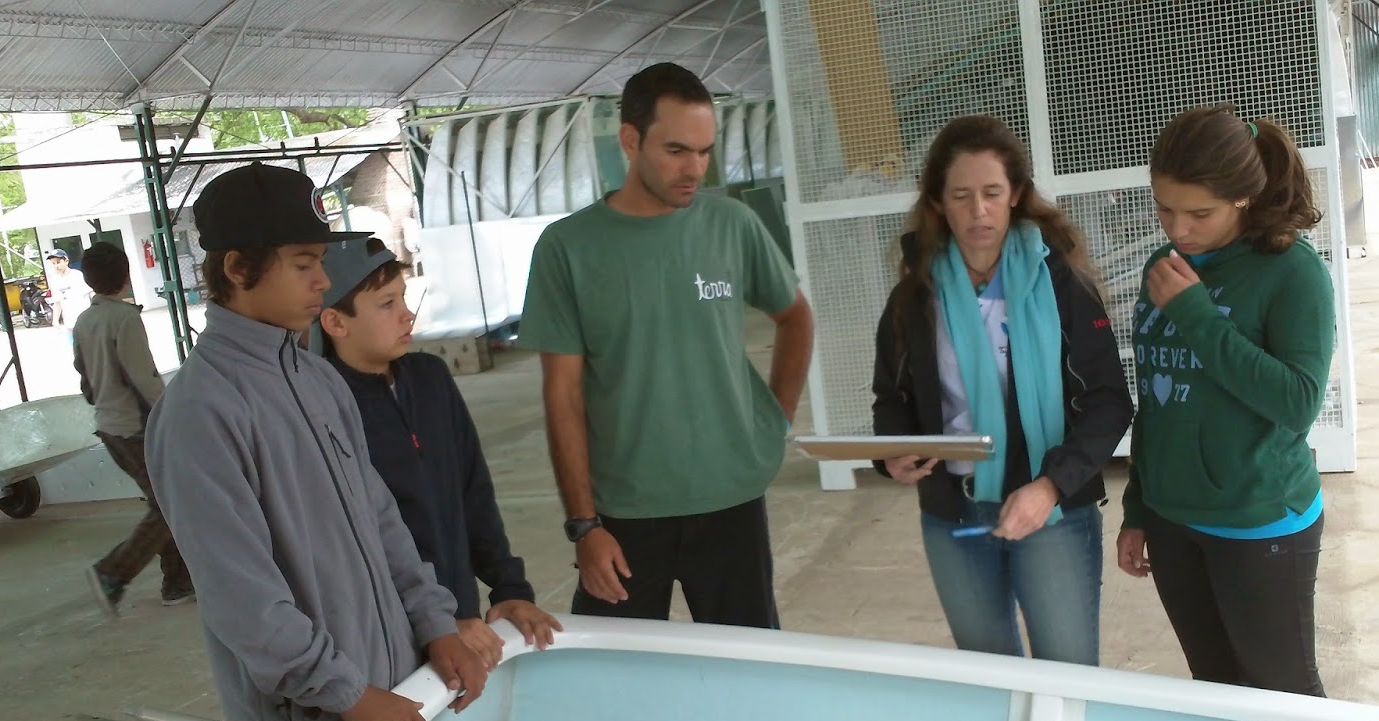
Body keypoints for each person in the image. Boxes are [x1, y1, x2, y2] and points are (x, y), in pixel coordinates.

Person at [143, 163, 488, 721]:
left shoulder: (318, 380)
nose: (322, 281)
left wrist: (435, 623)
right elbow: (243, 600)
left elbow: (382, 521)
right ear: (238, 268)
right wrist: (348, 692)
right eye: (303, 264)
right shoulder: (201, 411)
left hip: (392, 690)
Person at [517, 62, 815, 628]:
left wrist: (775, 418)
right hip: (624, 513)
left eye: (704, 152)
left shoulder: (732, 224)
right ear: (631, 141)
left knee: (746, 666)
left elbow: (795, 317)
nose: (694, 169)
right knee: (618, 671)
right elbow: (563, 397)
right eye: (676, 150)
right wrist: (584, 525)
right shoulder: (567, 248)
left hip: (731, 500)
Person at [870, 115, 1134, 665]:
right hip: (953, 512)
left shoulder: (1060, 284)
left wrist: (1051, 486)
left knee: (1066, 674)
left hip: (1052, 511)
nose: (979, 211)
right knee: (987, 676)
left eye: (992, 193)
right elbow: (891, 399)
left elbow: (1108, 402)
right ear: (937, 203)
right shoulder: (914, 297)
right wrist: (893, 451)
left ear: (1015, 194)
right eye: (960, 196)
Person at [1115, 105, 1335, 697]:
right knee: (1214, 687)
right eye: (1164, 208)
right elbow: (1156, 400)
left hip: (1257, 519)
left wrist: (1197, 316)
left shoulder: (1292, 270)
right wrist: (1138, 508)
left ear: (1242, 197)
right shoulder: (1163, 267)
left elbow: (1298, 402)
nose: (1178, 229)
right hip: (1172, 517)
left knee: (1282, 690)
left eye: (1199, 213)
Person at [318, 236, 562, 667]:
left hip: (459, 620)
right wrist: (438, 623)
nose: (407, 314)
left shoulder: (430, 377)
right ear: (336, 322)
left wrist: (509, 589)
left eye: (403, 298)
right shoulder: (324, 408)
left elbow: (473, 492)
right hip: (391, 638)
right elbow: (361, 545)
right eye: (387, 304)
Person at [72, 242, 193, 614]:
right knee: (172, 504)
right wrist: (174, 416)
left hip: (109, 426)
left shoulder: (84, 321)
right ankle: (112, 573)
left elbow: (83, 374)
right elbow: (144, 378)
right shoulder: (124, 318)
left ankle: (177, 583)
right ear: (125, 276)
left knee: (166, 501)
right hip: (135, 427)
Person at [44, 248, 90, 338]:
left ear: (66, 261)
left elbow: (91, 293)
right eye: (53, 263)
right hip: (70, 323)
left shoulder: (77, 275)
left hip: (85, 321)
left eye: (58, 262)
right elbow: (57, 302)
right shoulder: (55, 281)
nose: (56, 266)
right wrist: (55, 320)